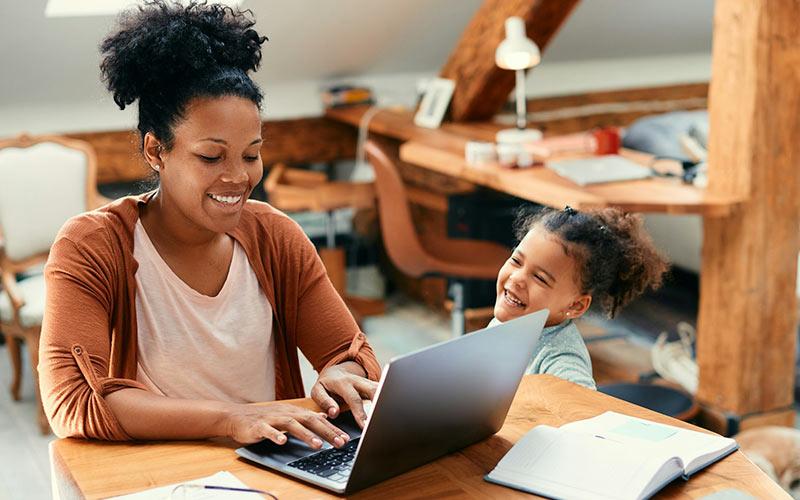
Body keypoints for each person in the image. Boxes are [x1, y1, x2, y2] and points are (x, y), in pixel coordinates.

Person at [38, 1, 380, 449]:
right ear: (156, 151)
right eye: (211, 156)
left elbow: (352, 352)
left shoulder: (276, 236)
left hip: (268, 466)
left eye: (251, 154)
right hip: (158, 474)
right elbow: (73, 400)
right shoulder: (92, 246)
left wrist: (341, 375)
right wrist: (230, 420)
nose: (239, 177)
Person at [491, 205, 670, 389]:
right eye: (516, 261)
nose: (517, 278)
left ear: (576, 306)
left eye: (540, 278)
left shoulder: (560, 359)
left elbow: (583, 406)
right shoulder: (509, 321)